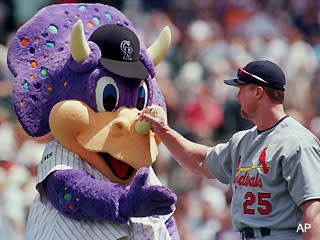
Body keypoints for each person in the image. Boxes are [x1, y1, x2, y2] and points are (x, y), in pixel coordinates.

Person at [140, 60, 320, 240]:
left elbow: (313, 209)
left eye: (241, 89)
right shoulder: (242, 141)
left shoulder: (297, 142)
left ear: (258, 92)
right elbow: (201, 161)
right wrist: (163, 131)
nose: (237, 96)